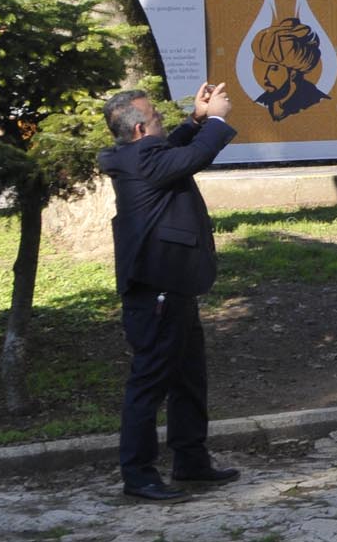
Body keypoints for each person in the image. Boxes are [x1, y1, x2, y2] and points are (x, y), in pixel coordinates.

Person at [101, 82, 242, 502]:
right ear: (142, 130)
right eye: (158, 118)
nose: (164, 120)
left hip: (173, 287)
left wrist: (195, 120)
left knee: (188, 376)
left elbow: (173, 152)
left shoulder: (139, 154)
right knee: (149, 383)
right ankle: (139, 475)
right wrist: (216, 119)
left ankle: (191, 460)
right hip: (157, 290)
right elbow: (194, 156)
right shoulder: (141, 159)